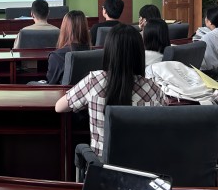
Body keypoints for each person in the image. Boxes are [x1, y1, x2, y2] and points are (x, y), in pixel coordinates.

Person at [55, 24, 166, 156]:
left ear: (108, 52)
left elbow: (59, 107)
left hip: (101, 165)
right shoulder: (153, 88)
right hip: (141, 165)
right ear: (140, 53)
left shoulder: (94, 80)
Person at [44, 10, 91, 85]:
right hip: (88, 92)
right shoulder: (95, 54)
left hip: (65, 92)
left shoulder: (57, 56)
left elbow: (51, 84)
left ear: (64, 29)